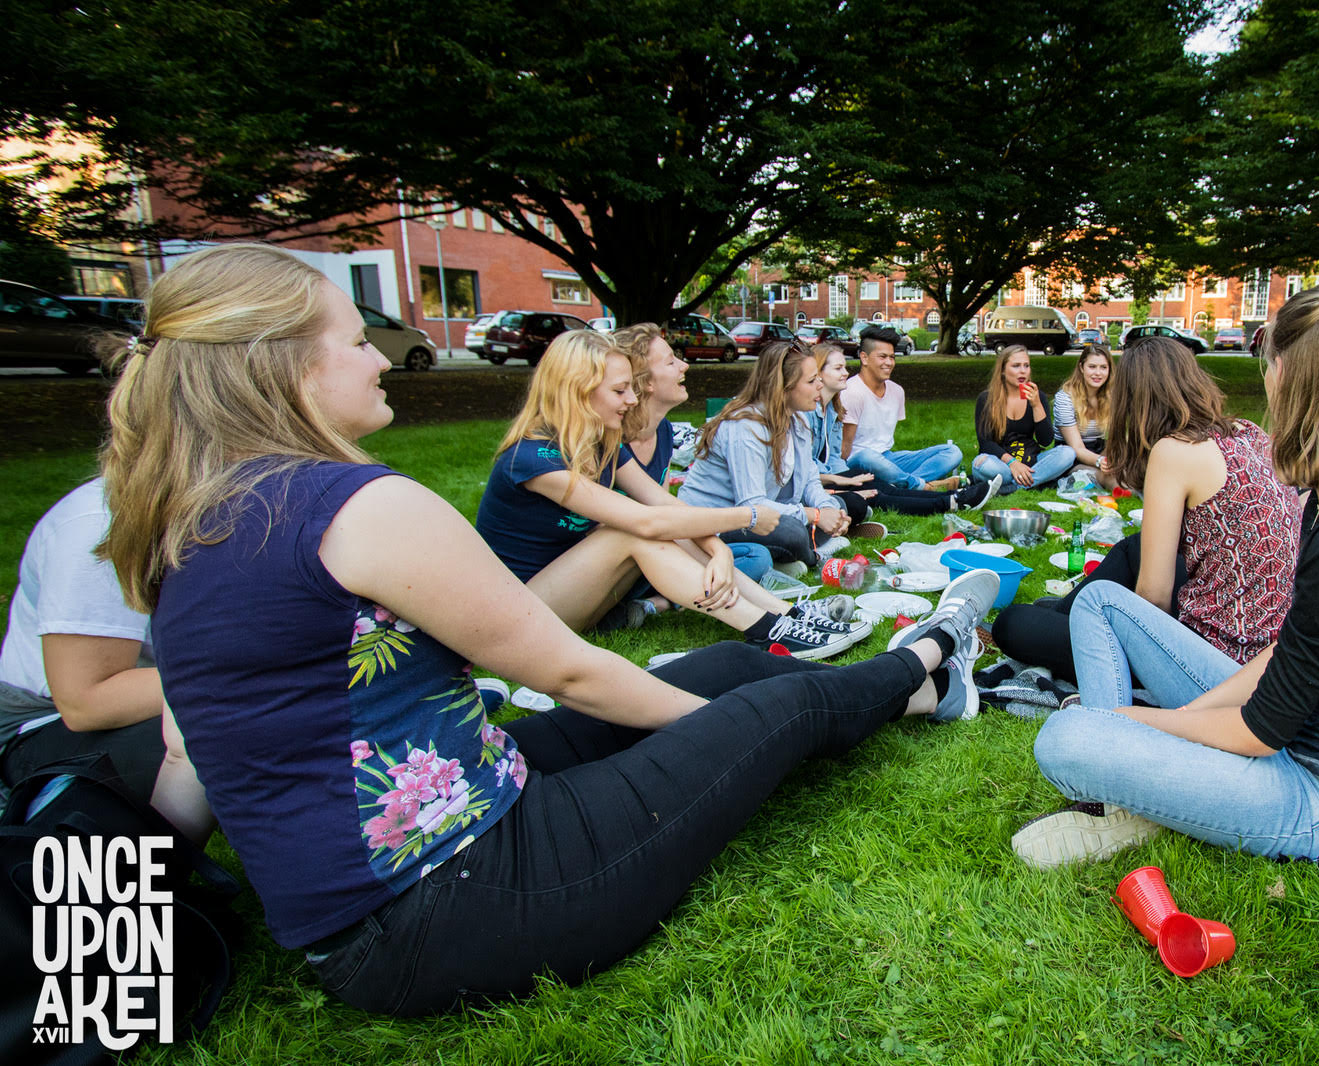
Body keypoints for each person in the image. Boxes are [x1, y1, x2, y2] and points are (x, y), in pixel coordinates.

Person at [99, 242, 1002, 1015]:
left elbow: (189, 753)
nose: (380, 356)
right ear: (284, 363)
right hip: (452, 902)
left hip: (410, 869)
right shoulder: (356, 506)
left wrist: (125, 909)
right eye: (355, 338)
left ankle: (923, 693)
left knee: (730, 664)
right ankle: (931, 650)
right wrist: (736, 740)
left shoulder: (189, 519)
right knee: (771, 710)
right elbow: (570, 672)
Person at [1013, 280, 1319, 868]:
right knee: (1102, 605)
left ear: (1289, 375)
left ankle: (1133, 797)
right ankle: (1142, 787)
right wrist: (1163, 724)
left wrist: (1134, 724)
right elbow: (1288, 652)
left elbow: (1262, 730)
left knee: (1066, 739)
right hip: (1306, 728)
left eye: (1267, 365)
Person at [475, 329, 867, 659]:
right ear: (578, 391)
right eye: (620, 390)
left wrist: (719, 550)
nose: (631, 400)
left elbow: (667, 505)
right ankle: (768, 630)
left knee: (667, 529)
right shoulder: (531, 457)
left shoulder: (603, 444)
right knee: (630, 531)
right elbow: (646, 519)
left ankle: (787, 614)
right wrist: (745, 519)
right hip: (522, 615)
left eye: (631, 387)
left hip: (580, 595)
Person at [993, 336, 1300, 683]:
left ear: (1135, 399)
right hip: (1266, 639)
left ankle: (1059, 618)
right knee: (1137, 547)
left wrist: (1115, 627)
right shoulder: (1248, 431)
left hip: (1217, 661)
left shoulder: (1174, 451)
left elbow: (1153, 599)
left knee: (1013, 625)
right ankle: (1064, 614)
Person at [0, 479, 163, 800]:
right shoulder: (101, 525)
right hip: (42, 723)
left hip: (153, 697)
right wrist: (259, 680)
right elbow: (86, 702)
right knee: (227, 729)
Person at [612, 323, 772, 598]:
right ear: (645, 381)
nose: (684, 366)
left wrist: (716, 550)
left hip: (659, 548)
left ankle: (658, 602)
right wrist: (747, 519)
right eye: (671, 361)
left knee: (755, 556)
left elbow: (669, 515)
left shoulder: (662, 430)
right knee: (739, 553)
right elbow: (658, 521)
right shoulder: (609, 440)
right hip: (620, 560)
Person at [678, 341, 851, 569]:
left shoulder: (798, 420)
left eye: (818, 377)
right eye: (811, 381)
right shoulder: (746, 428)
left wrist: (827, 509)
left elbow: (810, 480)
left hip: (761, 516)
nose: (820, 385)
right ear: (784, 386)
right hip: (718, 522)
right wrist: (815, 516)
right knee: (792, 531)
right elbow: (752, 505)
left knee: (839, 504)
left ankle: (793, 556)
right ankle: (813, 558)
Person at [809, 344, 1002, 519]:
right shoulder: (810, 413)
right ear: (818, 373)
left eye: (844, 367)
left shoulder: (833, 409)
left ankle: (953, 496)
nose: (845, 373)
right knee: (877, 491)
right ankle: (949, 500)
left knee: (881, 486)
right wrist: (840, 479)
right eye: (838, 368)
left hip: (872, 463)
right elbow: (807, 470)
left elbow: (833, 458)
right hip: (823, 480)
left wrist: (846, 477)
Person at [839, 324, 963, 490]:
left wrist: (889, 465)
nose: (889, 363)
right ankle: (923, 486)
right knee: (868, 456)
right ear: (864, 358)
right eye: (882, 357)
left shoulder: (896, 391)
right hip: (859, 461)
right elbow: (844, 450)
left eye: (892, 357)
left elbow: (884, 443)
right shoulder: (851, 392)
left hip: (888, 458)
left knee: (952, 452)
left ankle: (903, 485)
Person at [972, 345, 1076, 492]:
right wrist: (1013, 463)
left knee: (1067, 453)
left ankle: (1011, 487)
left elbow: (1045, 441)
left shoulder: (1038, 397)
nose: (1022, 371)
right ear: (1002, 370)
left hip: (1031, 461)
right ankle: (1034, 481)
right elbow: (985, 443)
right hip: (1000, 462)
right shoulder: (987, 399)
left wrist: (1036, 405)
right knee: (982, 464)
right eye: (1016, 366)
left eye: (1026, 366)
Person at [1052, 343, 1114, 475]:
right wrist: (1101, 461)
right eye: (1092, 367)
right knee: (1105, 476)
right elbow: (1077, 448)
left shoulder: (1111, 396)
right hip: (1072, 456)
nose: (1098, 373)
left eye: (1103, 367)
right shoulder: (1065, 398)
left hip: (1100, 450)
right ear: (1081, 367)